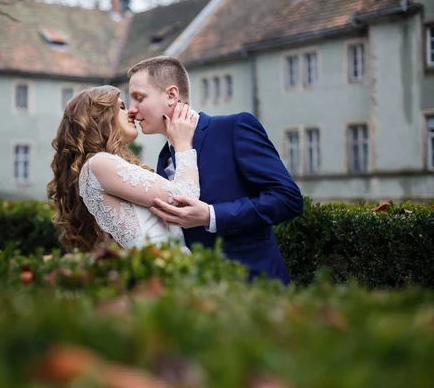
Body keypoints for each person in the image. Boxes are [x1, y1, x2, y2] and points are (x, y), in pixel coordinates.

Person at [127, 56, 304, 285]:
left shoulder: (233, 129)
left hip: (257, 289)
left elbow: (289, 199)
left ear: (171, 95)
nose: (131, 110)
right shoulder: (163, 159)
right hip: (205, 300)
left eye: (139, 98)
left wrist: (212, 215)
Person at [47, 85, 200, 254]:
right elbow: (186, 196)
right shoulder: (99, 164)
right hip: (162, 264)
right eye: (121, 107)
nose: (132, 113)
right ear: (98, 116)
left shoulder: (104, 165)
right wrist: (183, 144)